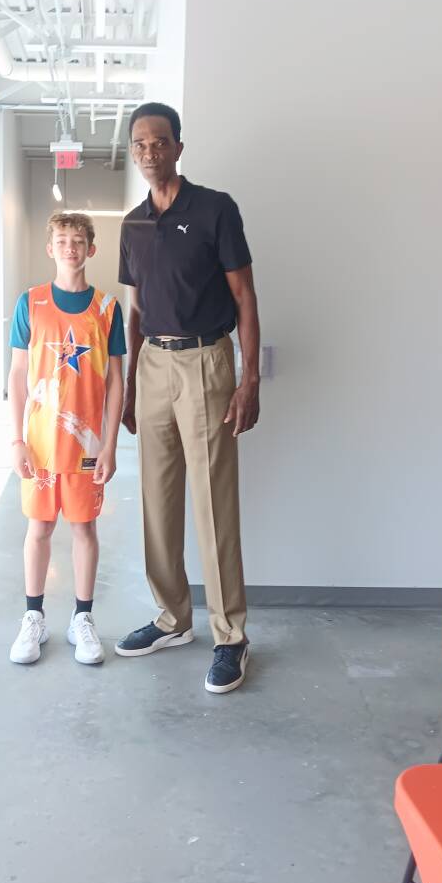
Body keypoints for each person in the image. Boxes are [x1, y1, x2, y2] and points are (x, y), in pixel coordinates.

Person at [116, 102, 261, 694]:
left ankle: (231, 635)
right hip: (153, 363)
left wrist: (249, 379)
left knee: (212, 500)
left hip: (206, 361)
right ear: (133, 152)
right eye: (140, 143)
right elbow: (135, 311)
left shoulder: (215, 209)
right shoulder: (133, 225)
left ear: (178, 147)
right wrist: (129, 385)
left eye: (159, 141)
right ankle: (172, 617)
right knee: (157, 496)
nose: (150, 151)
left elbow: (245, 295)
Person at [7, 211, 126, 666]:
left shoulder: (107, 309)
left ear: (90, 249)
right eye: (61, 240)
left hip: (87, 447)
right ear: (50, 248)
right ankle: (33, 617)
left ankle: (82, 618)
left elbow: (116, 381)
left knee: (84, 528)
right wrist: (16, 439)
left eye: (78, 241)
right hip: (40, 443)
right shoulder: (31, 303)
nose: (70, 248)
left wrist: (110, 444)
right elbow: (18, 374)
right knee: (38, 528)